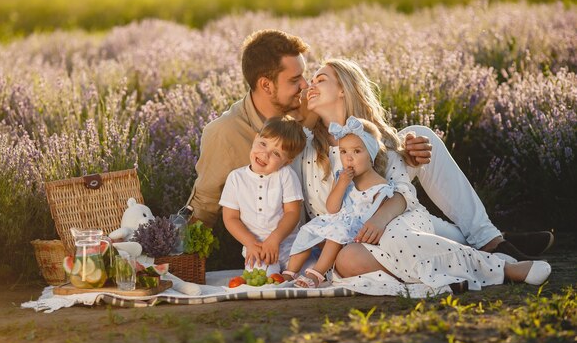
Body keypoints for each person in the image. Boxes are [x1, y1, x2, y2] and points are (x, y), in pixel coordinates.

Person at [186, 29, 552, 267]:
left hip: (369, 192)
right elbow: (202, 205)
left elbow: (350, 127)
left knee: (417, 135)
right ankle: (493, 250)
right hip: (330, 224)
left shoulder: (305, 110)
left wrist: (397, 147)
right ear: (266, 85)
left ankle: (490, 240)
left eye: (309, 78)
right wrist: (184, 254)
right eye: (296, 80)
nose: (305, 86)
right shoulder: (228, 133)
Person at [297, 58, 551, 291]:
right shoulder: (305, 146)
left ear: (344, 89)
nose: (311, 86)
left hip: (395, 225)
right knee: (351, 258)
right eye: (311, 82)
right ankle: (488, 249)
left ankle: (496, 258)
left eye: (320, 79)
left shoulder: (375, 138)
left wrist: (380, 219)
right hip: (353, 241)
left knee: (419, 136)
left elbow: (401, 190)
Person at [283, 117, 394, 287]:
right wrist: (341, 184)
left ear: (371, 154)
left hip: (358, 232)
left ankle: (316, 275)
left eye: (356, 151)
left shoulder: (381, 186)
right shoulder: (341, 177)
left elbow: (378, 218)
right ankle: (289, 273)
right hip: (338, 222)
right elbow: (332, 208)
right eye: (343, 152)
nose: (349, 158)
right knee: (308, 229)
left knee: (337, 232)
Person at [219, 116, 306, 275]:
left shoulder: (285, 175)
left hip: (288, 246)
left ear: (287, 161)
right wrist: (250, 243)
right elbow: (230, 218)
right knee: (264, 276)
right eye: (263, 144)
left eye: (276, 153)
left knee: (313, 267)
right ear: (255, 138)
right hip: (256, 249)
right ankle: (285, 275)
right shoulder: (236, 178)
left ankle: (294, 271)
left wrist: (275, 239)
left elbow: (293, 213)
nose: (265, 155)